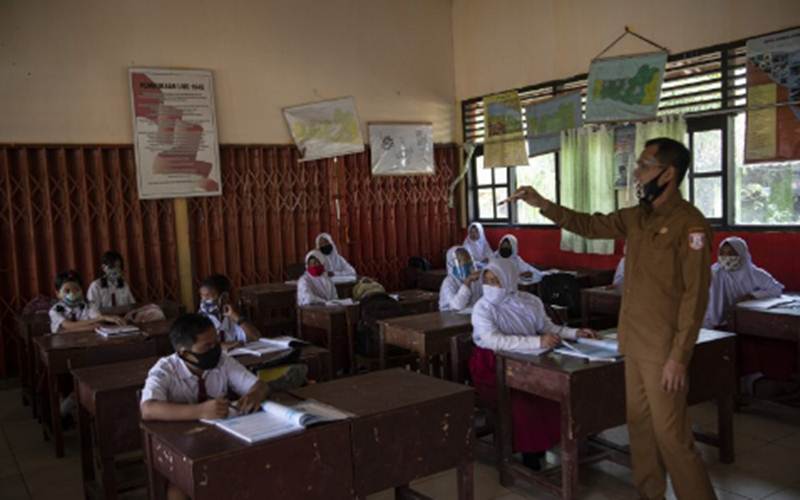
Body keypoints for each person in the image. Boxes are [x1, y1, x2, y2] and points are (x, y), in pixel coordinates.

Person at [505, 137, 716, 499]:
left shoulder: (689, 225)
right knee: (640, 429)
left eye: (644, 165)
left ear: (668, 174)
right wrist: (542, 203)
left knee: (672, 436)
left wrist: (679, 358)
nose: (637, 171)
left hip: (664, 349)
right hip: (632, 342)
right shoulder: (637, 216)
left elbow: (695, 298)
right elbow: (588, 225)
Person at [469, 258, 596, 470]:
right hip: (493, 366)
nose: (491, 287)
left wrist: (575, 333)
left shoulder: (529, 301)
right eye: (487, 281)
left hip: (528, 360)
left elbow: (547, 327)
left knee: (555, 393)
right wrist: (537, 341)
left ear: (510, 279)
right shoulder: (483, 308)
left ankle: (554, 444)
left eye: (496, 281)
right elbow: (494, 340)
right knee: (525, 403)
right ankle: (529, 452)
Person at [140, 313, 270, 500]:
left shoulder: (222, 361)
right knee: (180, 488)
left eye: (216, 342)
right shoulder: (164, 369)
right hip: (182, 446)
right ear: (185, 353)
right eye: (207, 346)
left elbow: (259, 385)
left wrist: (254, 394)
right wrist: (200, 411)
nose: (215, 349)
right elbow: (148, 409)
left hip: (221, 440)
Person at [703, 236, 784, 329]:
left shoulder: (754, 273)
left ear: (742, 254)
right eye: (722, 253)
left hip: (744, 320)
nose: (726, 258)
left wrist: (752, 295)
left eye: (731, 254)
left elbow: (776, 288)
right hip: (713, 323)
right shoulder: (714, 272)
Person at [49, 270, 124, 333]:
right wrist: (99, 319)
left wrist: (68, 331)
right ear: (58, 294)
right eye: (67, 291)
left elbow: (98, 324)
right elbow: (68, 325)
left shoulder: (88, 305)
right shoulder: (55, 310)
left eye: (76, 289)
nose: (72, 294)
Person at [198, 274, 259, 350]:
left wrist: (235, 317)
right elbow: (200, 346)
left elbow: (255, 337)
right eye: (202, 296)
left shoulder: (230, 317)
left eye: (208, 296)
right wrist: (225, 345)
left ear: (224, 297)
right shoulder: (199, 320)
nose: (204, 301)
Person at [439, 246, 482, 311]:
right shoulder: (448, 282)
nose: (466, 264)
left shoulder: (475, 280)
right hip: (450, 317)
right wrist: (467, 282)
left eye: (468, 260)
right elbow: (457, 306)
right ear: (452, 264)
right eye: (461, 261)